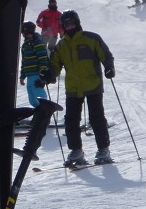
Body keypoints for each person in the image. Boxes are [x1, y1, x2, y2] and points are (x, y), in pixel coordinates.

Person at [40, 10, 115, 166]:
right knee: (71, 120)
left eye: (72, 23)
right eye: (66, 24)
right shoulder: (62, 46)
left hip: (92, 84)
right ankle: (76, 151)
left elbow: (106, 55)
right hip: (73, 88)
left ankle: (103, 149)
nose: (69, 27)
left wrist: (109, 67)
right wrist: (49, 74)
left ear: (78, 22)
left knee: (97, 119)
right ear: (62, 26)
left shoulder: (91, 39)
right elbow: (55, 65)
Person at [19, 22, 50, 108]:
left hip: (36, 74)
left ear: (26, 31)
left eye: (22, 32)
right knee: (32, 99)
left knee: (38, 94)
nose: (22, 34)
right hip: (29, 75)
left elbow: (42, 58)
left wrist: (43, 72)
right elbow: (24, 62)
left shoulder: (37, 43)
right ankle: (38, 111)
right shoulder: (25, 45)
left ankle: (45, 109)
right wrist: (22, 76)